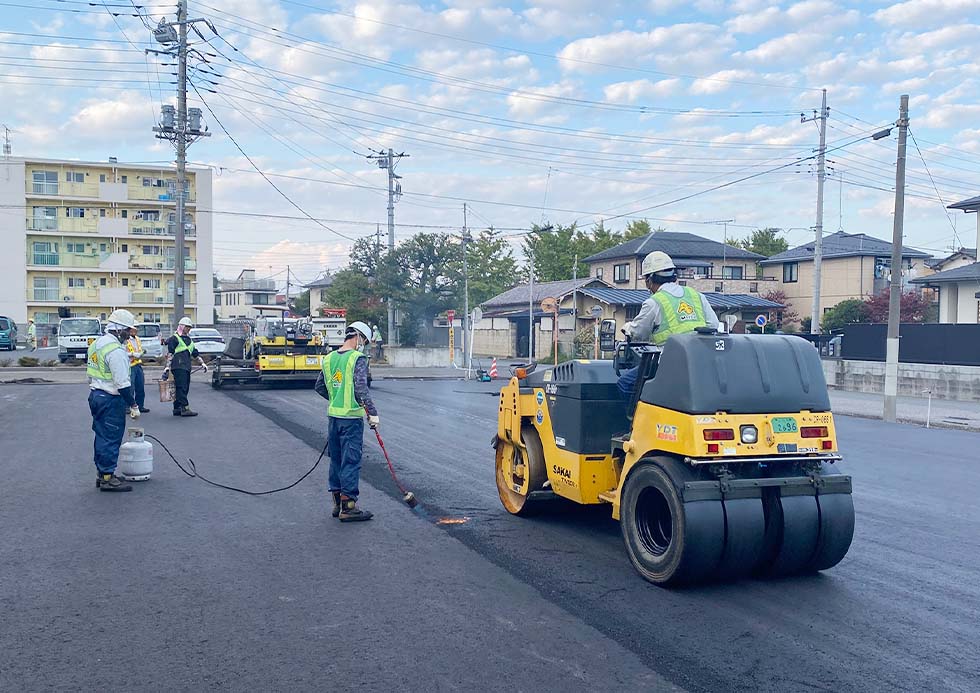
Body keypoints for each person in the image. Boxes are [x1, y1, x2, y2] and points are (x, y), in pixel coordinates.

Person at [617, 251, 720, 400]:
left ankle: (636, 422)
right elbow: (713, 325)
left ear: (649, 280)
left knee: (625, 384)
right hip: (700, 361)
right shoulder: (696, 295)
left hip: (668, 363)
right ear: (674, 276)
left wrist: (627, 328)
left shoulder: (654, 302)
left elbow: (638, 332)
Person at [314, 321, 379, 522]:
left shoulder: (329, 358)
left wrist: (337, 398)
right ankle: (348, 507)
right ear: (358, 337)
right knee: (351, 460)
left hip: (334, 418)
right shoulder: (357, 358)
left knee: (336, 459)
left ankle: (337, 503)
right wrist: (372, 412)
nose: (364, 345)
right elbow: (361, 388)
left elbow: (319, 386)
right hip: (350, 419)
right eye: (365, 341)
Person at [88, 309, 141, 492]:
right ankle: (107, 478)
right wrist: (133, 405)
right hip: (110, 398)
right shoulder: (116, 350)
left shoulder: (97, 344)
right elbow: (122, 384)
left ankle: (103, 473)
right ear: (118, 329)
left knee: (102, 436)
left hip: (96, 395)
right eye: (127, 330)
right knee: (110, 438)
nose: (129, 334)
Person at [164, 316, 208, 417]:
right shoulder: (174, 338)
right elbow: (170, 353)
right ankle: (185, 408)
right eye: (187, 327)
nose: (188, 329)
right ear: (181, 326)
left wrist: (202, 363)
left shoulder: (189, 340)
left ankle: (177, 408)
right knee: (182, 387)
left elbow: (195, 353)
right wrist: (167, 367)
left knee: (182, 387)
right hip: (178, 366)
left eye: (189, 327)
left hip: (186, 367)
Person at [126, 326, 150, 413]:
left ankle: (140, 405)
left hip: (138, 364)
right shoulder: (125, 340)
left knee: (140, 386)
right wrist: (132, 354)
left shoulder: (137, 339)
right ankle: (128, 406)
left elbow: (138, 349)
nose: (134, 331)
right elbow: (122, 351)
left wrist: (140, 353)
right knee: (130, 387)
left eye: (136, 329)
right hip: (130, 365)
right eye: (133, 329)